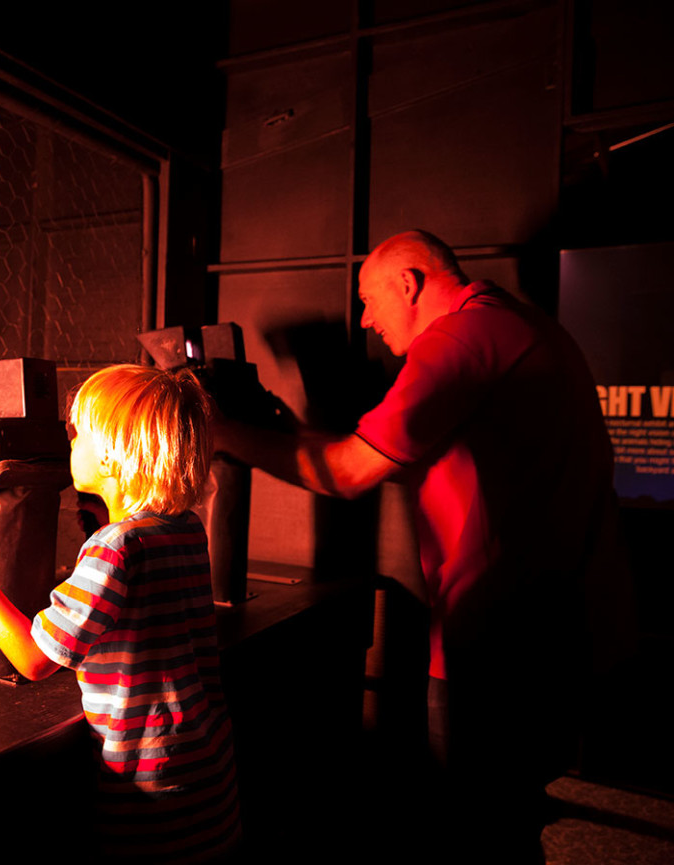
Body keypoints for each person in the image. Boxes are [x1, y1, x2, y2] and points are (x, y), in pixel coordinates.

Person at [214, 229, 628, 863]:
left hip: (496, 647)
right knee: (508, 825)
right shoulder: (519, 326)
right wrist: (293, 434)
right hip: (552, 637)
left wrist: (221, 432)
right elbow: (400, 463)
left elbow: (350, 474)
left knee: (473, 834)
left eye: (368, 297)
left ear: (408, 283)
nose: (364, 318)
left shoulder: (458, 339)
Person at [0, 364, 241, 863]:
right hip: (208, 784)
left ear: (117, 455)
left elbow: (35, 660)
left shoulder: (116, 548)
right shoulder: (183, 528)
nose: (69, 442)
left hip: (148, 805)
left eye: (79, 433)